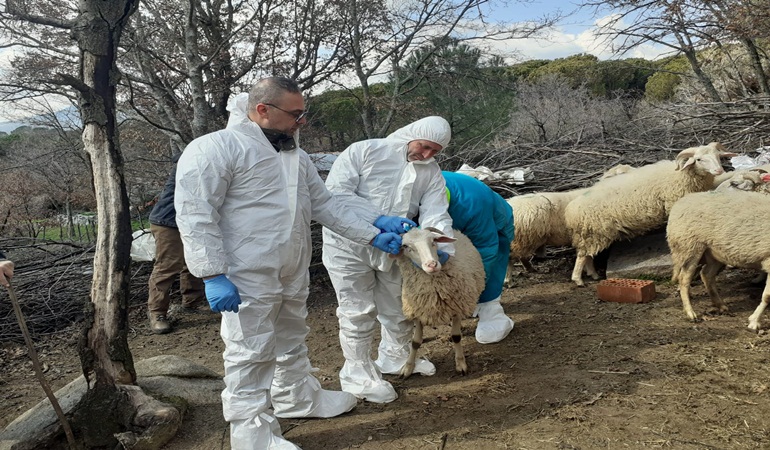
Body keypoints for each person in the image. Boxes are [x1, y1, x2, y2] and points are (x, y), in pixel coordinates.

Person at [174, 76, 413, 450]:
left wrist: (371, 230)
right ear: (263, 110)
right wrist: (213, 273)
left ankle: (295, 397)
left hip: (291, 267)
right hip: (245, 273)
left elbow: (327, 205)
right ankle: (251, 434)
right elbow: (195, 214)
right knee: (249, 351)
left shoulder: (294, 158)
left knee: (290, 336)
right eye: (295, 114)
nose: (301, 122)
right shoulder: (215, 149)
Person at [322, 116, 455, 404]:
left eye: (435, 151)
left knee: (398, 303)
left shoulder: (430, 171)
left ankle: (394, 357)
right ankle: (358, 374)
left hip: (395, 247)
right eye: (424, 147)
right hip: (348, 245)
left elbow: (435, 209)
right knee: (357, 309)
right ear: (411, 135)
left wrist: (441, 243)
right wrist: (377, 221)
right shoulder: (364, 151)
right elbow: (334, 196)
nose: (427, 155)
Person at [442, 171, 515, 344]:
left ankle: (491, 310)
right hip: (447, 225)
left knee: (489, 258)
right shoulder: (407, 194)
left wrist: (471, 287)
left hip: (490, 222)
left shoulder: (471, 202)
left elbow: (486, 248)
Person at [146, 154, 208, 334]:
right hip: (168, 221)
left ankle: (192, 303)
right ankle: (157, 313)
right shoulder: (188, 166)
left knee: (193, 261)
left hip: (190, 221)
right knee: (167, 266)